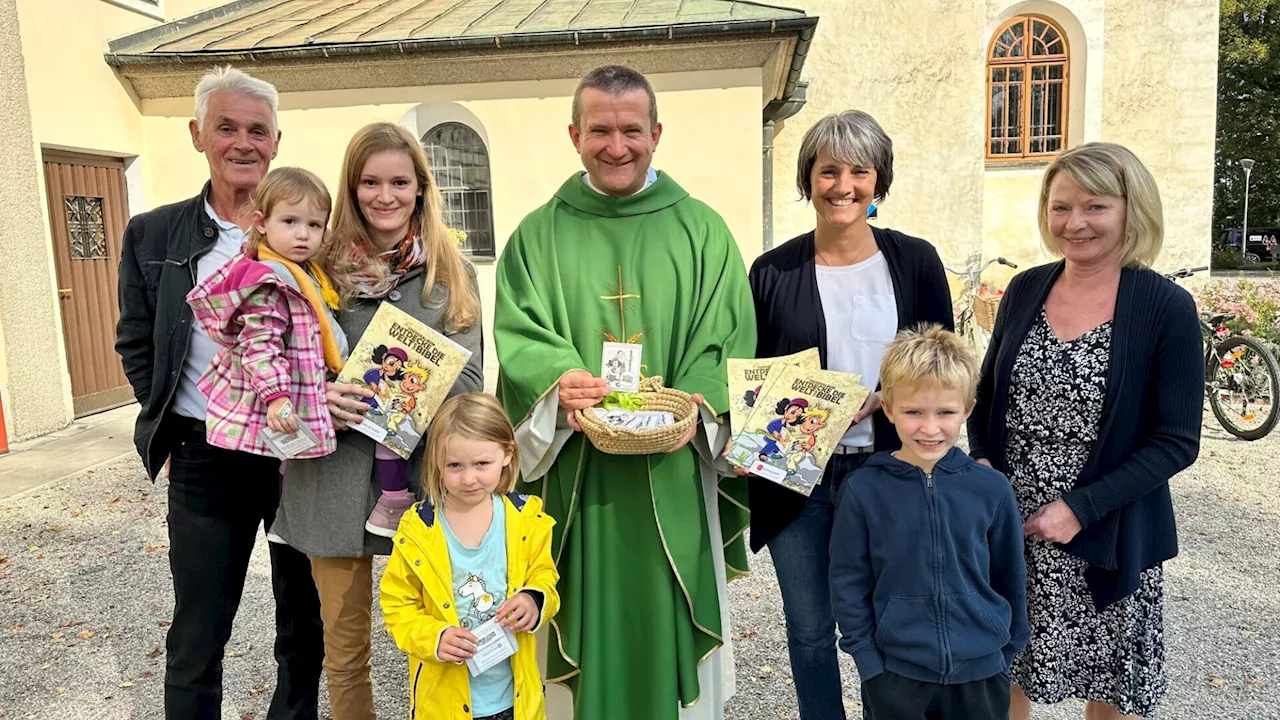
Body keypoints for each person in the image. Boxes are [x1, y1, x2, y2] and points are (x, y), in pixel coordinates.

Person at [492, 64, 756, 720]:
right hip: (577, 465)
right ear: (575, 134)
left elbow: (727, 332)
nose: (617, 146)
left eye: (632, 130)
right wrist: (558, 380)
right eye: (601, 131)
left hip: (674, 462)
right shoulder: (537, 235)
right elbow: (518, 327)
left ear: (656, 132)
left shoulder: (702, 230)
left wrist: (698, 397)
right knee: (576, 605)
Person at [114, 66, 324, 720]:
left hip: (299, 459)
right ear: (197, 133)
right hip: (207, 458)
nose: (242, 142)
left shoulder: (308, 228)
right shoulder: (156, 234)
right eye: (226, 127)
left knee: (303, 621)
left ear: (276, 140)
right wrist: (178, 421)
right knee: (199, 631)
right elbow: (137, 340)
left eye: (257, 130)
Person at [967, 143, 1203, 720]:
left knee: (1112, 688)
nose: (1075, 223)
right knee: (1005, 670)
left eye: (1095, 207)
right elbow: (987, 396)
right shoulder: (1025, 289)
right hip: (1015, 523)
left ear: (1131, 209)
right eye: (1060, 207)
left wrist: (1079, 508)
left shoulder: (1166, 306)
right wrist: (980, 462)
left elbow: (1177, 440)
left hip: (1111, 525)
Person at [743, 110, 954, 719]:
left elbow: (944, 363)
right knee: (810, 631)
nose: (843, 185)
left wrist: (887, 397)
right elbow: (756, 372)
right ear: (808, 178)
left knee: (889, 623)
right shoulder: (773, 271)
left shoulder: (914, 261)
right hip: (798, 476)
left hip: (890, 471)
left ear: (878, 180)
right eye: (828, 169)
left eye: (859, 170)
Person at [272, 122, 484, 720]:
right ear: (352, 186)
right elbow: (274, 367)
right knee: (344, 652)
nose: (384, 196)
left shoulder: (450, 274)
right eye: (369, 182)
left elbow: (470, 385)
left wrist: (399, 388)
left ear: (421, 187)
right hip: (330, 480)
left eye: (398, 181)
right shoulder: (312, 268)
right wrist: (322, 399)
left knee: (444, 635)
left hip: (423, 480)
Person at [830, 324, 1028, 720]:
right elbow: (848, 582)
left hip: (982, 672)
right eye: (913, 412)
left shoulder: (991, 488)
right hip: (896, 675)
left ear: (967, 410)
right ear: (888, 409)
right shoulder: (863, 490)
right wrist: (870, 664)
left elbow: (1010, 574)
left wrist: (1006, 650)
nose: (930, 427)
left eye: (946, 412)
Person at [185, 167, 346, 543]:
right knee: (281, 457)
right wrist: (276, 396)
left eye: (315, 225)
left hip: (299, 389)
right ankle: (286, 520)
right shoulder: (268, 280)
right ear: (261, 222)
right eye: (290, 221)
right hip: (276, 396)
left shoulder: (305, 272)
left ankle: (289, 518)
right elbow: (261, 345)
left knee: (291, 459)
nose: (303, 234)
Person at [380, 392, 561, 720]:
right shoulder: (419, 530)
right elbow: (397, 606)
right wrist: (434, 638)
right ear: (436, 461)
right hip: (444, 705)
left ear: (507, 454)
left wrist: (535, 600)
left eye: (481, 464)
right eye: (454, 465)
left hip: (515, 702)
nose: (468, 478)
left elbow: (546, 578)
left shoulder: (526, 518)